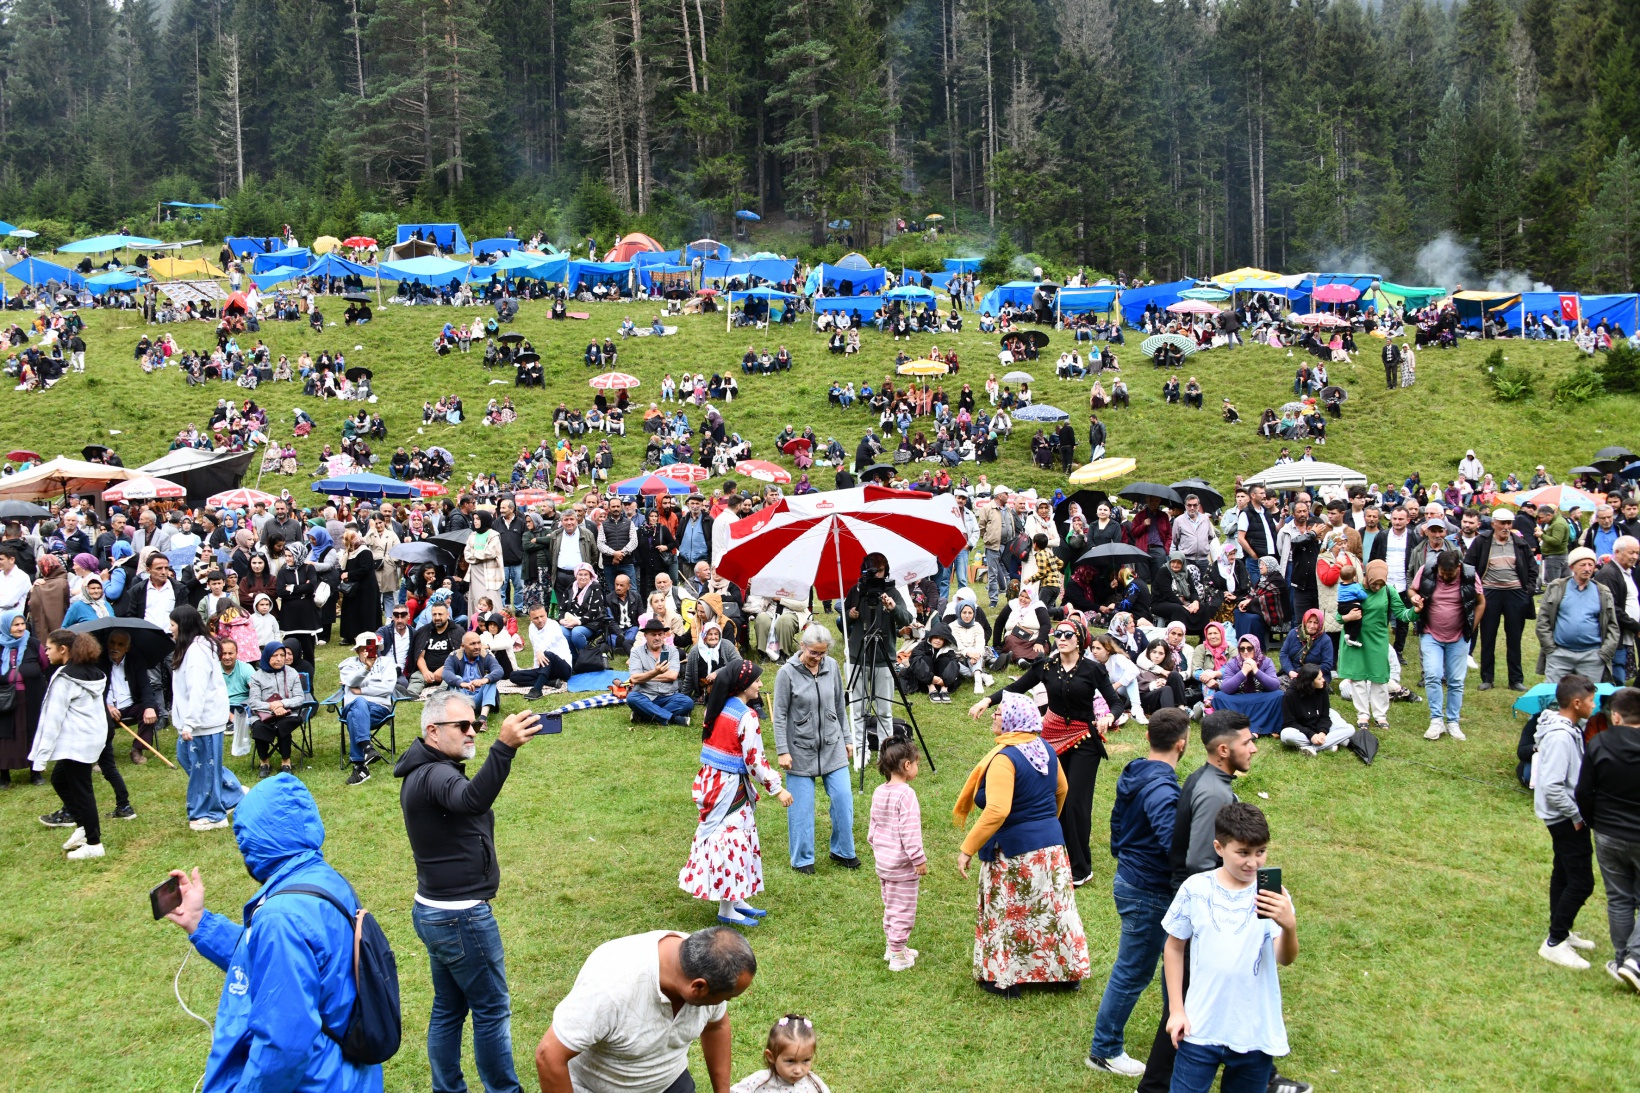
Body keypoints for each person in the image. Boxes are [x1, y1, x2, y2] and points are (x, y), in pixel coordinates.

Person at [158, 775, 384, 1091]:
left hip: (313, 1081)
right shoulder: (323, 881)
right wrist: (200, 922)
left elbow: (284, 1045)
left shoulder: (281, 917)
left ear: (256, 840)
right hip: (345, 1073)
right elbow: (271, 961)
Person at [395, 691, 545, 1093]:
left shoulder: (426, 769)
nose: (472, 732)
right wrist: (503, 749)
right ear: (432, 731)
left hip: (432, 909)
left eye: (476, 724)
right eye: (463, 726)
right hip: (459, 916)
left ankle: (447, 1089)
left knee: (448, 1008)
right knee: (492, 1010)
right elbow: (472, 798)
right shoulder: (437, 774)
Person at [954, 691, 1090, 997]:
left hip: (1015, 851)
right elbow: (1062, 790)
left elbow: (997, 811)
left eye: (1000, 713)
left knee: (1010, 914)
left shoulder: (1006, 758)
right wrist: (1045, 825)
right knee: (1054, 912)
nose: (994, 715)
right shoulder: (1045, 748)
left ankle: (1006, 978)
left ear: (1014, 720)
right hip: (1052, 848)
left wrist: (967, 849)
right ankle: (1066, 975)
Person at [1160, 802, 1299, 1093]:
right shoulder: (1196, 889)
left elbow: (1284, 958)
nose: (1253, 863)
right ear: (1219, 848)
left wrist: (1289, 926)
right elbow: (1173, 948)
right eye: (1243, 853)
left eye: (1261, 852)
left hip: (1254, 1031)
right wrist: (1176, 1010)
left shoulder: (1274, 895)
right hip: (1200, 1026)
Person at [970, 617, 1118, 886]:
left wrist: (1109, 717)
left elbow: (1117, 702)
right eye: (1058, 634)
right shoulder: (1047, 666)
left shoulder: (1092, 670)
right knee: (1051, 798)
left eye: (1067, 634)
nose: (1061, 638)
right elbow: (1016, 688)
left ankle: (1080, 867)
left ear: (1080, 640)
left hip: (1084, 739)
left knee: (1075, 803)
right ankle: (1057, 855)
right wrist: (987, 700)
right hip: (1051, 737)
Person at [1085, 708, 1188, 1077]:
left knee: (1145, 967)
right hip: (1147, 889)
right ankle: (1104, 1050)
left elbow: (1117, 821)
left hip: (1132, 877)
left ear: (1148, 738)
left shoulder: (1135, 772)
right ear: (1182, 744)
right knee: (1132, 972)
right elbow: (1171, 844)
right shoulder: (1162, 787)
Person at [535, 926, 757, 1093]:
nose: (725, 1003)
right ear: (698, 987)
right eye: (726, 997)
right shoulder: (610, 986)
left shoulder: (707, 961)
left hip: (669, 1081)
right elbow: (549, 1055)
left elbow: (716, 1025)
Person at [679, 660, 793, 926]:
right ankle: (727, 908)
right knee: (732, 843)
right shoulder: (746, 715)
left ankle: (736, 899)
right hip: (729, 787)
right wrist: (777, 789)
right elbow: (754, 760)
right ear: (743, 685)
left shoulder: (719, 706)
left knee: (734, 840)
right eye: (757, 681)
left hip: (713, 780)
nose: (761, 685)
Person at [769, 625, 855, 874]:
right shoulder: (786, 673)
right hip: (799, 750)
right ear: (802, 646)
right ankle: (803, 860)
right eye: (814, 652)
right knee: (801, 809)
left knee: (842, 799)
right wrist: (782, 750)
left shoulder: (833, 668)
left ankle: (843, 852)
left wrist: (847, 738)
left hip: (833, 745)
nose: (818, 657)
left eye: (823, 653)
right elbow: (780, 715)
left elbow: (840, 706)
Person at [1575, 686, 1640, 988]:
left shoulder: (1599, 742)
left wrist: (1594, 822)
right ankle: (1634, 961)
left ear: (1615, 716)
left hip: (1607, 834)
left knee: (1619, 898)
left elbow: (1583, 792)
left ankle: (1623, 958)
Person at [1534, 674, 1599, 969]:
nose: (1594, 705)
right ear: (1576, 703)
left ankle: (1561, 929)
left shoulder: (1569, 729)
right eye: (1590, 700)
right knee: (1582, 881)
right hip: (1564, 817)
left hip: (1564, 814)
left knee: (1562, 870)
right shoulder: (1561, 736)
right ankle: (1555, 942)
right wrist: (1575, 815)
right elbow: (1551, 785)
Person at [29, 630, 109, 860]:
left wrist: (40, 756)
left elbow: (52, 718)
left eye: (48, 648)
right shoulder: (94, 672)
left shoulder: (64, 677)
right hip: (91, 738)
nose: (45, 652)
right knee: (60, 779)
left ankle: (94, 843)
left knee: (82, 791)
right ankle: (83, 827)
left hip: (78, 742)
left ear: (63, 649)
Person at [169, 605, 245, 830]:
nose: (170, 629)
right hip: (196, 721)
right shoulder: (192, 648)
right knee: (188, 758)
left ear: (183, 626)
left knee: (204, 767)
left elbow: (197, 689)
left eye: (172, 625)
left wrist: (190, 723)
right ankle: (231, 794)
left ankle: (211, 814)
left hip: (203, 722)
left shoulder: (197, 652)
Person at [1408, 547, 1485, 741]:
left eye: (1450, 574)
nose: (1446, 576)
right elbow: (1412, 589)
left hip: (1459, 636)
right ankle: (1436, 720)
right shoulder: (1427, 570)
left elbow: (1480, 602)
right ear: (1437, 568)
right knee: (1432, 675)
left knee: (1456, 681)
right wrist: (1414, 597)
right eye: (1442, 573)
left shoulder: (1469, 574)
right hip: (1430, 634)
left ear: (1458, 567)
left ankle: (1453, 721)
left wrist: (1471, 628)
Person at [1335, 560, 1417, 731]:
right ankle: (1363, 714)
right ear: (1367, 577)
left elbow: (1402, 614)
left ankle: (1380, 715)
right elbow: (1338, 615)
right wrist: (1347, 617)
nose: (1378, 587)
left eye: (1381, 583)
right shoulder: (1353, 588)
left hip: (1377, 639)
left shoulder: (1388, 591)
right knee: (1357, 678)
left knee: (1379, 677)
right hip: (1355, 638)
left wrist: (1415, 611)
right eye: (1374, 583)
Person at [867, 739, 927, 971]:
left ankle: (893, 947)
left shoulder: (879, 792)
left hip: (883, 863)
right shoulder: (906, 795)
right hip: (902, 867)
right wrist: (918, 859)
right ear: (907, 765)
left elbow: (873, 828)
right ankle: (897, 955)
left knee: (891, 905)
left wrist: (878, 849)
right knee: (903, 909)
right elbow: (909, 831)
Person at [1466, 508, 1537, 693]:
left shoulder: (1520, 543)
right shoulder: (1481, 542)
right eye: (1502, 523)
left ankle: (1516, 680)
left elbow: (1532, 569)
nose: (1506, 527)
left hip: (1515, 594)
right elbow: (1468, 566)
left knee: (1515, 638)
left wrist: (1526, 590)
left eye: (1509, 523)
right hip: (1489, 593)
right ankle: (1487, 678)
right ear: (1493, 523)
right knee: (1488, 636)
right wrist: (1476, 590)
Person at [842, 553, 911, 739]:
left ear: (885, 571)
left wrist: (893, 607)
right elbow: (840, 623)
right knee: (857, 708)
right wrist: (849, 614)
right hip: (858, 656)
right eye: (871, 571)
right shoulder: (855, 591)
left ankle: (885, 749)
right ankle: (858, 750)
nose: (876, 576)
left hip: (884, 658)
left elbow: (907, 619)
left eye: (879, 571)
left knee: (884, 710)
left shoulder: (893, 592)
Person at [1537, 548, 1619, 684]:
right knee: (1553, 697)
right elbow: (1542, 621)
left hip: (1592, 656)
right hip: (1559, 654)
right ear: (1572, 567)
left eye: (1591, 565)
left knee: (1588, 699)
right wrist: (1550, 649)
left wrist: (1604, 653)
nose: (1587, 569)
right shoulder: (1556, 588)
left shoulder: (1603, 592)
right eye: (1583, 565)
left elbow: (1612, 626)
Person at [339, 632, 397, 785]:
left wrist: (362, 689)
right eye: (364, 648)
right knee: (359, 703)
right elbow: (350, 681)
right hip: (354, 706)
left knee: (354, 715)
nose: (369, 651)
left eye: (372, 648)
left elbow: (388, 687)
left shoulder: (387, 663)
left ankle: (360, 767)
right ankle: (367, 748)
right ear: (357, 650)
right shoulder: (348, 664)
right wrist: (366, 668)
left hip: (378, 709)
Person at [248, 640, 310, 777]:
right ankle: (264, 762)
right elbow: (253, 702)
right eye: (274, 655)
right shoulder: (257, 676)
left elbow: (300, 698)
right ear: (267, 656)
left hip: (288, 713)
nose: (279, 659)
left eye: (282, 655)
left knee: (283, 725)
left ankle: (286, 762)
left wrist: (282, 704)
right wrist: (271, 707)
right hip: (264, 714)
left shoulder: (292, 673)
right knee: (258, 726)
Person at [0, 609, 46, 787]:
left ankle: (35, 773)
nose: (20, 628)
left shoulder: (33, 644)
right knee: (4, 736)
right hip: (4, 700)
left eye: (22, 624)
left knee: (32, 732)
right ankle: (4, 776)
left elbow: (44, 664)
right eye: (15, 625)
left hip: (31, 697)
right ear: (6, 627)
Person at [731, 1015, 831, 1093]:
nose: (798, 1070)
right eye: (790, 1061)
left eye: (806, 1060)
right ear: (771, 1056)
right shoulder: (758, 1081)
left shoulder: (815, 1083)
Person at [628, 617, 695, 725]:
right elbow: (634, 678)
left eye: (660, 634)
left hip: (668, 696)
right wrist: (656, 672)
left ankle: (644, 715)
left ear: (664, 635)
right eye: (653, 635)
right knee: (632, 698)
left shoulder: (673, 651)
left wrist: (646, 676)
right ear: (645, 636)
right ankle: (673, 718)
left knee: (687, 702)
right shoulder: (636, 652)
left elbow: (673, 676)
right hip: (645, 695)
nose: (657, 638)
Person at [443, 629, 505, 729]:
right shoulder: (454, 656)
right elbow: (446, 673)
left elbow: (498, 670)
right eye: (472, 644)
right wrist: (461, 683)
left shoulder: (485, 655)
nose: (477, 647)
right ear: (463, 647)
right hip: (463, 698)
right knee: (456, 678)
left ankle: (482, 719)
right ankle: (465, 716)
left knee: (490, 679)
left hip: (482, 698)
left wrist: (484, 680)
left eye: (479, 643)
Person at [510, 602, 573, 699]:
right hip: (545, 668)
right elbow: (536, 649)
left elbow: (548, 641)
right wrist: (535, 666)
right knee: (514, 676)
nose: (540, 620)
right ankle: (550, 682)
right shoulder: (531, 628)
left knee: (547, 654)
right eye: (535, 618)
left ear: (546, 614)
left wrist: (540, 651)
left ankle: (537, 690)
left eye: (542, 616)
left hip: (563, 667)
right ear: (530, 618)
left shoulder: (554, 625)